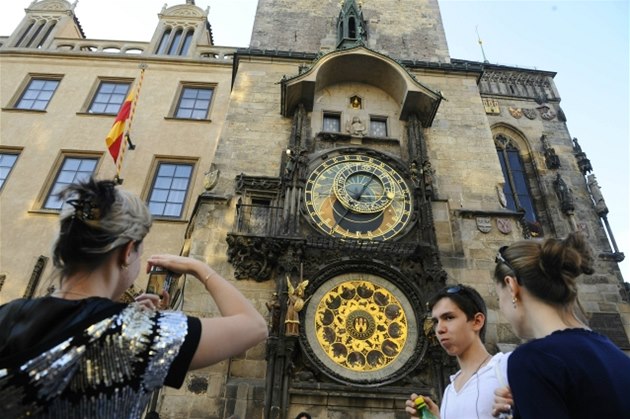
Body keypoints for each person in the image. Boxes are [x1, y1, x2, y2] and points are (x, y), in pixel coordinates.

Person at [0, 178, 268, 418]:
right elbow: (254, 326)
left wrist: (125, 315)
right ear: (128, 252)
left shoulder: (6, 315)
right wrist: (200, 268)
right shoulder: (138, 335)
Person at [492, 232, 630, 418]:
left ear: (511, 286)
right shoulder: (612, 352)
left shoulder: (533, 360)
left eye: (498, 297)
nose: (501, 307)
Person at [405, 284, 510, 418]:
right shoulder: (450, 390)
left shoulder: (505, 367)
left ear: (477, 321)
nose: (439, 329)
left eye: (449, 317)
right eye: (436, 321)